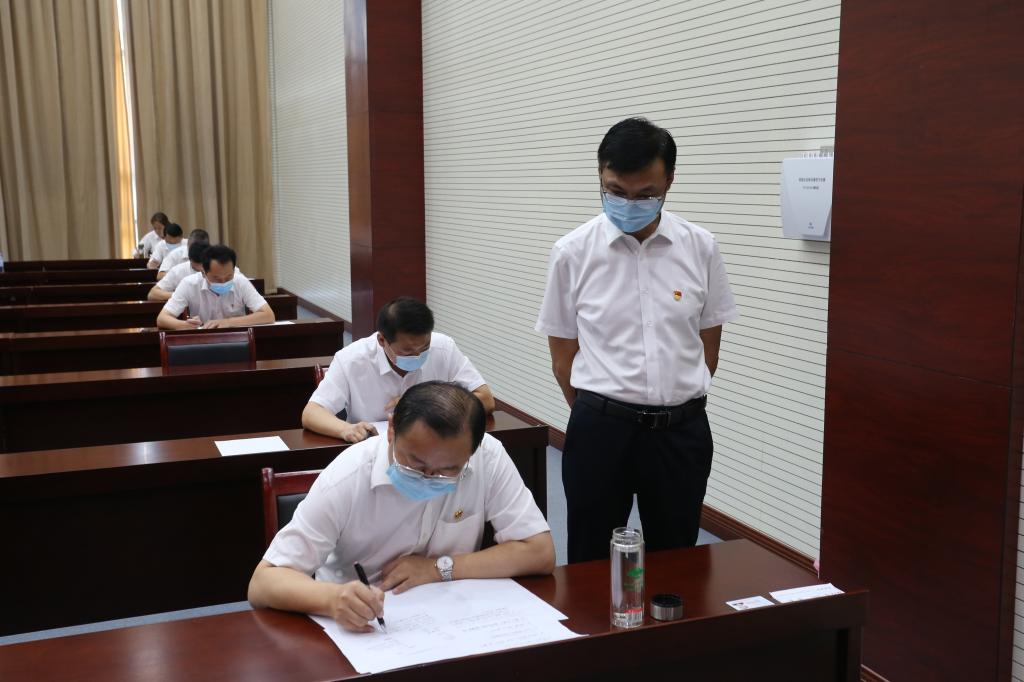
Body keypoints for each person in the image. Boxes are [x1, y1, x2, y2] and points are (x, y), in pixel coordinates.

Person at [535, 117, 738, 563]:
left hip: (681, 432)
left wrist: (673, 397)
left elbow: (708, 346)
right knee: (591, 557)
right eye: (615, 190)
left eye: (645, 194)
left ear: (669, 181)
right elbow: (562, 358)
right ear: (600, 176)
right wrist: (604, 410)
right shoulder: (572, 252)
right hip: (601, 429)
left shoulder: (701, 247)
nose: (629, 203)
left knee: (678, 557)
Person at [248, 381, 554, 633]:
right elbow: (263, 583)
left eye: (448, 470)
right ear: (392, 430)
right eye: (415, 462)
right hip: (364, 625)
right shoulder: (346, 478)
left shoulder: (488, 456)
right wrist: (332, 598)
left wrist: (438, 568)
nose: (429, 477)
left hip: (457, 619)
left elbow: (539, 551)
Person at [302, 297, 495, 444]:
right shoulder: (351, 359)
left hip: (435, 446)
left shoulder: (443, 348)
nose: (418, 356)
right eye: (408, 352)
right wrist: (345, 429)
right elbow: (312, 413)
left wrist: (430, 404)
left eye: (424, 348)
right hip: (374, 450)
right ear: (382, 340)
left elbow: (486, 398)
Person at [156, 244, 274, 329]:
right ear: (203, 273)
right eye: (216, 278)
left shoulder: (241, 282)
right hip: (202, 341)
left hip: (237, 340)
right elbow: (162, 318)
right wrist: (185, 325)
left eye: (228, 277)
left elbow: (268, 315)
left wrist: (228, 322)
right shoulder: (189, 284)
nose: (223, 282)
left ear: (234, 270)